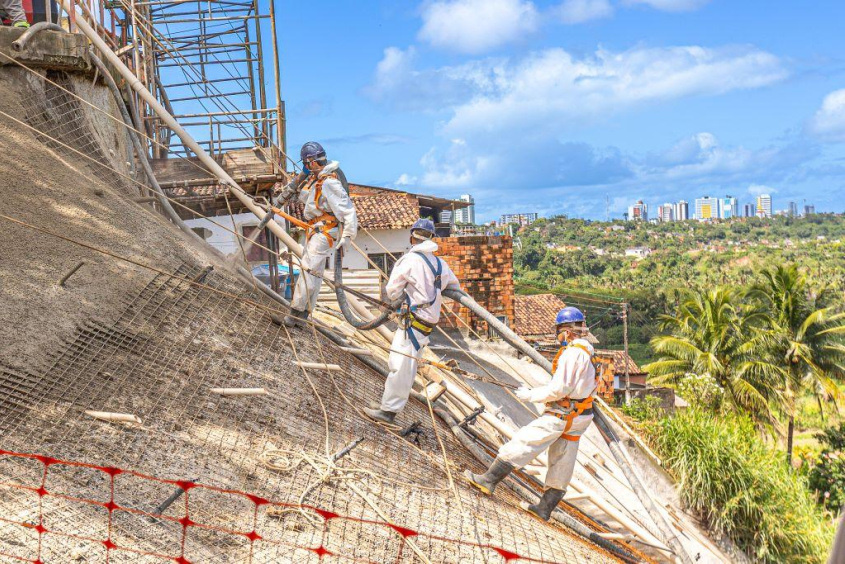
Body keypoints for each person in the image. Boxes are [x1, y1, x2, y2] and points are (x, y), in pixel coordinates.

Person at [464, 306, 596, 521]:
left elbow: (560, 389)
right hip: (580, 416)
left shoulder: (572, 353)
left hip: (563, 413)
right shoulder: (590, 351)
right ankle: (544, 508)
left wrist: (530, 395)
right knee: (563, 460)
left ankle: (488, 480)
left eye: (560, 331)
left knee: (525, 441)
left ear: (568, 331)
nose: (559, 337)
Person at [364, 218, 460, 424]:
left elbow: (391, 291)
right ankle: (386, 404)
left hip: (413, 323)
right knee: (400, 364)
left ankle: (388, 412)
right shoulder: (440, 264)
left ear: (412, 237)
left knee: (400, 366)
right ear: (432, 239)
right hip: (425, 324)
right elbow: (454, 285)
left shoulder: (409, 261)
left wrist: (409, 291)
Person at [274, 142, 357, 327]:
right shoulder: (320, 181)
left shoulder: (330, 182)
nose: (306, 167)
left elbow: (348, 211)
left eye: (306, 163)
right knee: (315, 275)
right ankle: (303, 317)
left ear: (311, 161)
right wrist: (296, 187)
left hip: (323, 233)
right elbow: (310, 199)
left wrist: (347, 237)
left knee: (307, 270)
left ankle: (293, 314)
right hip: (317, 231)